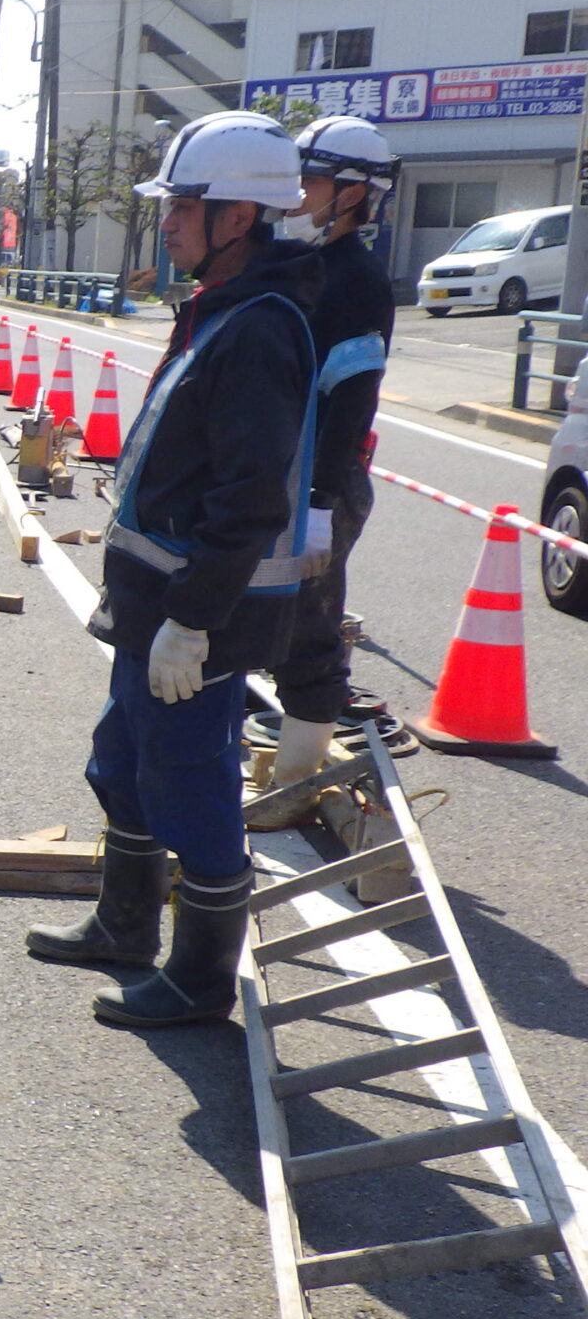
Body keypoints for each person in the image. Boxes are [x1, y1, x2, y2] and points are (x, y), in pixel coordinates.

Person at [23, 110, 324, 1026]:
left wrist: (193, 620)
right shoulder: (219, 309)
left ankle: (199, 979)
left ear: (239, 216)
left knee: (189, 787)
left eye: (187, 205)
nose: (171, 221)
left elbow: (248, 499)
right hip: (154, 606)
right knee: (122, 764)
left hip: (199, 619)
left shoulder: (260, 328)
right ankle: (124, 927)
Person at [258, 115, 399, 811]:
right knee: (257, 614)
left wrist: (318, 501)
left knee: (309, 626)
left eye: (312, 180)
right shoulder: (299, 261)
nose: (299, 193)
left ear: (354, 193)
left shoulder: (358, 279)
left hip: (320, 477)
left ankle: (297, 778)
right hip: (279, 467)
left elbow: (352, 398)